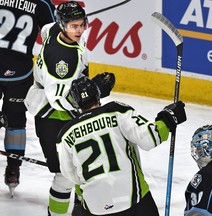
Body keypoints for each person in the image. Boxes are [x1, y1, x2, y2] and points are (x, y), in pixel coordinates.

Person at [24, 1, 115, 215]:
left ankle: (81, 210)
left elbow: (46, 29)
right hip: (53, 118)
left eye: (82, 24)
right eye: (74, 26)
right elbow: (60, 100)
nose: (80, 30)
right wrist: (96, 90)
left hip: (61, 113)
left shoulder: (55, 29)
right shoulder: (62, 61)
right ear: (63, 25)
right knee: (65, 176)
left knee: (82, 170)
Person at [56, 76, 187, 216]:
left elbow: (70, 174)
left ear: (76, 103)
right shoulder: (117, 111)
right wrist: (168, 118)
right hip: (133, 201)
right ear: (97, 94)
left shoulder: (65, 135)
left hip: (96, 207)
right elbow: (149, 137)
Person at [0, 0, 55, 194]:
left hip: (19, 74)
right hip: (20, 74)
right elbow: (54, 36)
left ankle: (14, 167)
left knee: (15, 119)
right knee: (15, 121)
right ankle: (13, 168)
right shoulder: (41, 3)